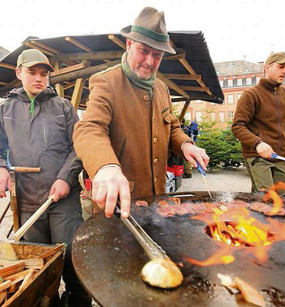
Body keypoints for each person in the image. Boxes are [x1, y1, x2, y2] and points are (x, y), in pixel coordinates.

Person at [73, 7, 209, 218]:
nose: (149, 61)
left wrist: (186, 144)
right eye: (144, 51)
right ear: (129, 44)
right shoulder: (107, 82)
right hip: (121, 204)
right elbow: (89, 128)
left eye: (157, 55)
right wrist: (105, 165)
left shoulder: (162, 88)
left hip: (158, 201)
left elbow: (171, 126)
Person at [0, 49, 91, 306]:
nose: (39, 78)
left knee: (72, 257)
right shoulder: (5, 109)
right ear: (19, 73)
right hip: (28, 202)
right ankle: (45, 301)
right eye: (32, 72)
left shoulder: (62, 107)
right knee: (36, 266)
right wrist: (1, 167)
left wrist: (65, 178)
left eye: (44, 74)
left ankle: (78, 301)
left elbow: (79, 146)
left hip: (62, 199)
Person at [231, 51, 285, 193]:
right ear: (267, 68)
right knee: (266, 201)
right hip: (258, 157)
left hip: (281, 156)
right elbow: (238, 126)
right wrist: (258, 143)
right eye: (281, 67)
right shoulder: (251, 94)